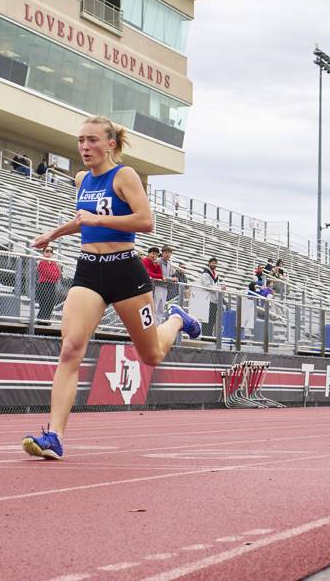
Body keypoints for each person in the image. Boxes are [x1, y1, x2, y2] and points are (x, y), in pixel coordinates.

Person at [22, 116, 200, 460]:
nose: (84, 147)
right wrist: (53, 235)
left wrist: (98, 220)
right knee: (71, 348)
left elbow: (145, 221)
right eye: (80, 141)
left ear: (111, 144)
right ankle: (55, 436)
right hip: (89, 270)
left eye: (92, 140)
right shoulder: (81, 179)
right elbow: (82, 221)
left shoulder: (125, 176)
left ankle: (176, 319)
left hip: (125, 272)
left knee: (151, 355)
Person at [36, 246, 61, 322]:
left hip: (52, 285)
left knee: (51, 303)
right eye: (47, 251)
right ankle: (41, 320)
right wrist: (54, 275)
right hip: (44, 285)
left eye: (50, 251)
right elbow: (48, 274)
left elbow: (58, 275)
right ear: (43, 253)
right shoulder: (42, 262)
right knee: (44, 303)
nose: (49, 253)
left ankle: (46, 320)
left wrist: (53, 275)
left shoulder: (54, 263)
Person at [142, 246, 166, 316]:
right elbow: (148, 273)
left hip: (149, 288)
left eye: (156, 254)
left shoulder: (154, 263)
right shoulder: (145, 260)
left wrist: (158, 266)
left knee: (153, 309)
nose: (154, 256)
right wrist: (161, 277)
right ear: (149, 254)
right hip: (142, 287)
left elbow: (159, 274)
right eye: (153, 253)